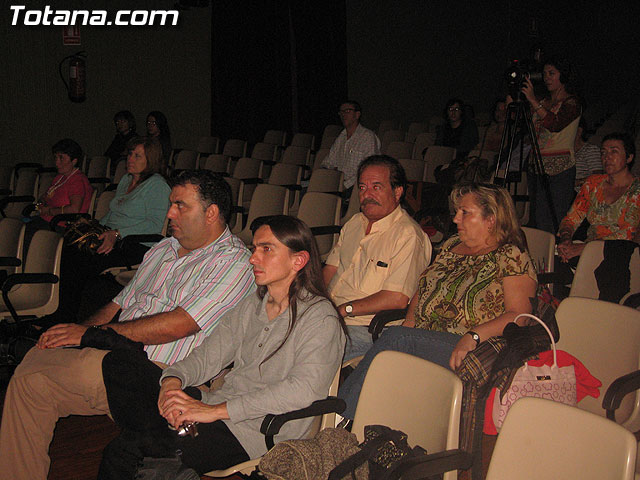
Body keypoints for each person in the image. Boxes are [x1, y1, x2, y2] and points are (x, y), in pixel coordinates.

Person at [0, 170, 255, 480]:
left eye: (180, 205)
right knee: (31, 383)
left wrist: (93, 336)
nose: (169, 212)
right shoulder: (162, 250)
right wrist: (78, 336)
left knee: (34, 363)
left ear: (211, 212)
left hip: (161, 373)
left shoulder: (234, 262)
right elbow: (116, 305)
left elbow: (181, 325)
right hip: (118, 356)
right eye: (170, 204)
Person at [97, 215, 346, 478]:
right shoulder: (253, 305)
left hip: (258, 430)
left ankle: (163, 450)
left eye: (267, 249)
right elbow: (208, 356)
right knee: (120, 363)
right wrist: (172, 381)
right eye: (254, 249)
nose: (253, 258)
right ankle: (166, 445)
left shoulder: (320, 317)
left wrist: (213, 411)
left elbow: (303, 390)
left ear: (299, 260)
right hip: (218, 407)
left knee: (124, 451)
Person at [338, 182, 538, 419]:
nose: (455, 219)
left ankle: (339, 418)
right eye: (457, 212)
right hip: (426, 338)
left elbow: (519, 316)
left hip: (471, 346)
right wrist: (410, 325)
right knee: (395, 346)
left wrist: (473, 336)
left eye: (465, 213)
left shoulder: (511, 255)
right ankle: (365, 424)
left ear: (491, 219)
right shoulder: (452, 246)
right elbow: (424, 289)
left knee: (395, 341)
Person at [323, 155, 432, 361]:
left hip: (366, 327)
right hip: (331, 317)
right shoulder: (354, 223)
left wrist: (344, 310)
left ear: (397, 192)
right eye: (362, 187)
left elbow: (397, 298)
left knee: (306, 348)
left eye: (376, 187)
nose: (367, 194)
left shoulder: (408, 236)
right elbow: (329, 270)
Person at [55, 136, 171, 321]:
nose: (130, 159)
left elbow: (155, 225)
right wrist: (96, 226)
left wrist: (117, 234)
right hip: (114, 237)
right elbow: (113, 212)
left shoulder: (158, 185)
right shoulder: (126, 180)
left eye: (137, 156)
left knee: (82, 258)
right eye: (130, 154)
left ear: (151, 160)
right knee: (70, 246)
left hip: (137, 244)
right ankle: (62, 311)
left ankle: (71, 316)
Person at [518, 56, 582, 233]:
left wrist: (532, 101)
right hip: (537, 166)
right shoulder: (543, 101)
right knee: (537, 218)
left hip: (560, 169)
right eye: (545, 74)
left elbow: (555, 124)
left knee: (552, 220)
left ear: (563, 75)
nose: (547, 78)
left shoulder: (572, 102)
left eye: (552, 73)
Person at [557, 132, 639, 263]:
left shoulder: (636, 190)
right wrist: (566, 239)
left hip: (620, 252)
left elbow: (629, 233)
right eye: (603, 152)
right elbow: (571, 219)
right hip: (588, 248)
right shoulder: (593, 183)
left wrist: (585, 248)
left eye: (614, 152)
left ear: (629, 158)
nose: (607, 157)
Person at [23, 138, 92, 248]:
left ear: (74, 161)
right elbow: (45, 197)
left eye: (61, 158)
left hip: (61, 225)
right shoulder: (60, 178)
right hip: (46, 221)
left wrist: (50, 211)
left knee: (25, 237)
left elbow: (74, 209)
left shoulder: (77, 180)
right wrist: (42, 204)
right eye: (55, 157)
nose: (57, 162)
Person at [320, 100, 381, 194]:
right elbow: (327, 162)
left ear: (357, 114)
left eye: (347, 111)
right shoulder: (341, 137)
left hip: (355, 187)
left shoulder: (367, 137)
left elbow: (369, 169)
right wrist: (331, 172)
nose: (343, 114)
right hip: (336, 184)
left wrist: (345, 185)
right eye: (341, 112)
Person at [573, 118, 603, 193]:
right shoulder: (568, 153)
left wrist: (577, 182)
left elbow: (597, 176)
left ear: (579, 131)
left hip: (581, 195)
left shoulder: (590, 149)